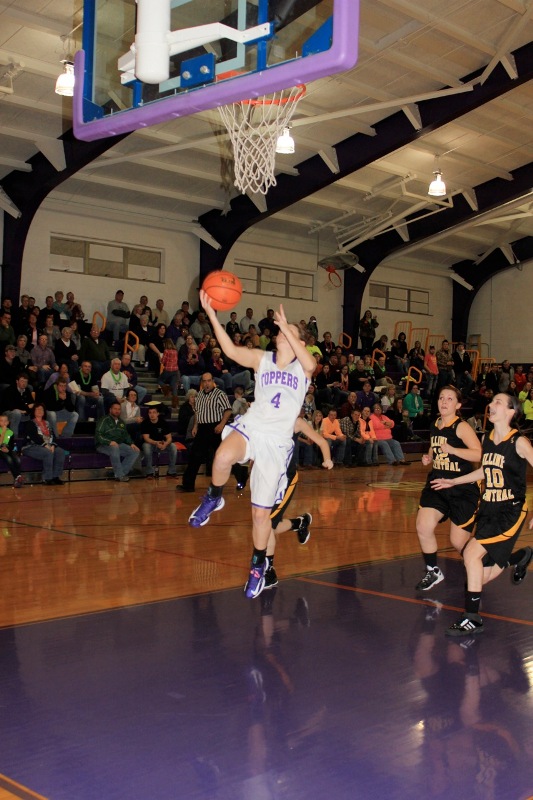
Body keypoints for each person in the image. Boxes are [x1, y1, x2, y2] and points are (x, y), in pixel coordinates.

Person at [189, 295, 315, 601]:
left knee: (261, 517)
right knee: (222, 456)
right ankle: (214, 498)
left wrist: (289, 329)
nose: (280, 333)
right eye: (280, 330)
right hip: (253, 426)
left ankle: (258, 565)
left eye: (288, 332)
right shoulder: (263, 359)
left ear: (298, 342)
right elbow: (231, 350)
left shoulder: (302, 368)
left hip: (277, 443)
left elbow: (311, 362)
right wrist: (211, 315)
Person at [432, 394, 533, 636]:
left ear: (511, 411)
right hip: (488, 509)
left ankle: (472, 618)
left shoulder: (518, 442)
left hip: (510, 511)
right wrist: (453, 481)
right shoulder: (487, 438)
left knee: (470, 554)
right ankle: (521, 556)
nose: (490, 405)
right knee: (480, 577)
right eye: (491, 401)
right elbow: (485, 472)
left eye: (498, 402)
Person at [415, 385, 482, 592]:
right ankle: (433, 570)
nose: (444, 401)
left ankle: (488, 564)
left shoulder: (461, 427)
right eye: (441, 398)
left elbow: (478, 454)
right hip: (438, 483)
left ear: (458, 405)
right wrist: (429, 457)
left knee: (458, 542)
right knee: (423, 525)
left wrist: (453, 450)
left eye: (450, 399)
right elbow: (434, 446)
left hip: (462, 488)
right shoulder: (435, 423)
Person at [264, 418, 333, 588]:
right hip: (267, 478)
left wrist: (327, 459)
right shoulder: (265, 416)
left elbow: (322, 442)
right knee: (266, 526)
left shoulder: (296, 422)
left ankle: (268, 572)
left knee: (266, 525)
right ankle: (299, 523)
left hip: (286, 480)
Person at [178, 372, 232, 493]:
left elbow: (228, 410)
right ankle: (188, 485)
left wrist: (221, 424)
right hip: (202, 429)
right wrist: (195, 426)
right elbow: (198, 412)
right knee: (195, 456)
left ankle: (241, 475)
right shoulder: (200, 395)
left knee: (225, 455)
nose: (207, 383)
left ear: (213, 381)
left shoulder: (220, 394)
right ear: (202, 382)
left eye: (209, 381)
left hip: (216, 428)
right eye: (204, 381)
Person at [95, 401, 140, 481]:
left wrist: (131, 443)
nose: (117, 411)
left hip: (118, 444)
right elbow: (98, 435)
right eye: (115, 409)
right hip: (103, 445)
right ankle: (119, 475)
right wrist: (109, 442)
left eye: (119, 409)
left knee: (135, 451)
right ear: (110, 410)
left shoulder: (121, 422)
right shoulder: (104, 420)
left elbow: (126, 435)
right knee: (114, 447)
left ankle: (120, 473)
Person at [22, 403, 66, 485]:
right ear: (33, 411)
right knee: (48, 453)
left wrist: (53, 445)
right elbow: (34, 437)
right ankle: (47, 478)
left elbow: (53, 436)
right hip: (31, 446)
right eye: (37, 409)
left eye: (41, 409)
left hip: (47, 445)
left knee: (60, 452)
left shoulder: (47, 423)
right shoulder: (30, 423)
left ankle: (55, 477)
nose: (40, 411)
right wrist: (45, 445)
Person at [140, 406, 178, 479]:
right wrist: (156, 443)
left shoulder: (163, 422)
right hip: (151, 444)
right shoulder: (145, 423)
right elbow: (146, 438)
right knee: (146, 446)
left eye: (154, 412)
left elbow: (169, 438)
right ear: (148, 414)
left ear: (158, 414)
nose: (152, 415)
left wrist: (165, 444)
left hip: (162, 444)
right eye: (150, 413)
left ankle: (171, 472)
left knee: (173, 446)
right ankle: (149, 473)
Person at [0, 413, 24, 487]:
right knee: (9, 459)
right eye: (1, 421)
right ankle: (18, 476)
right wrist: (3, 433)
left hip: (7, 449)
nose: (3, 423)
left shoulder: (10, 432)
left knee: (17, 459)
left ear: (8, 422)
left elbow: (11, 445)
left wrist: (8, 450)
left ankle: (18, 477)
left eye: (5, 421)